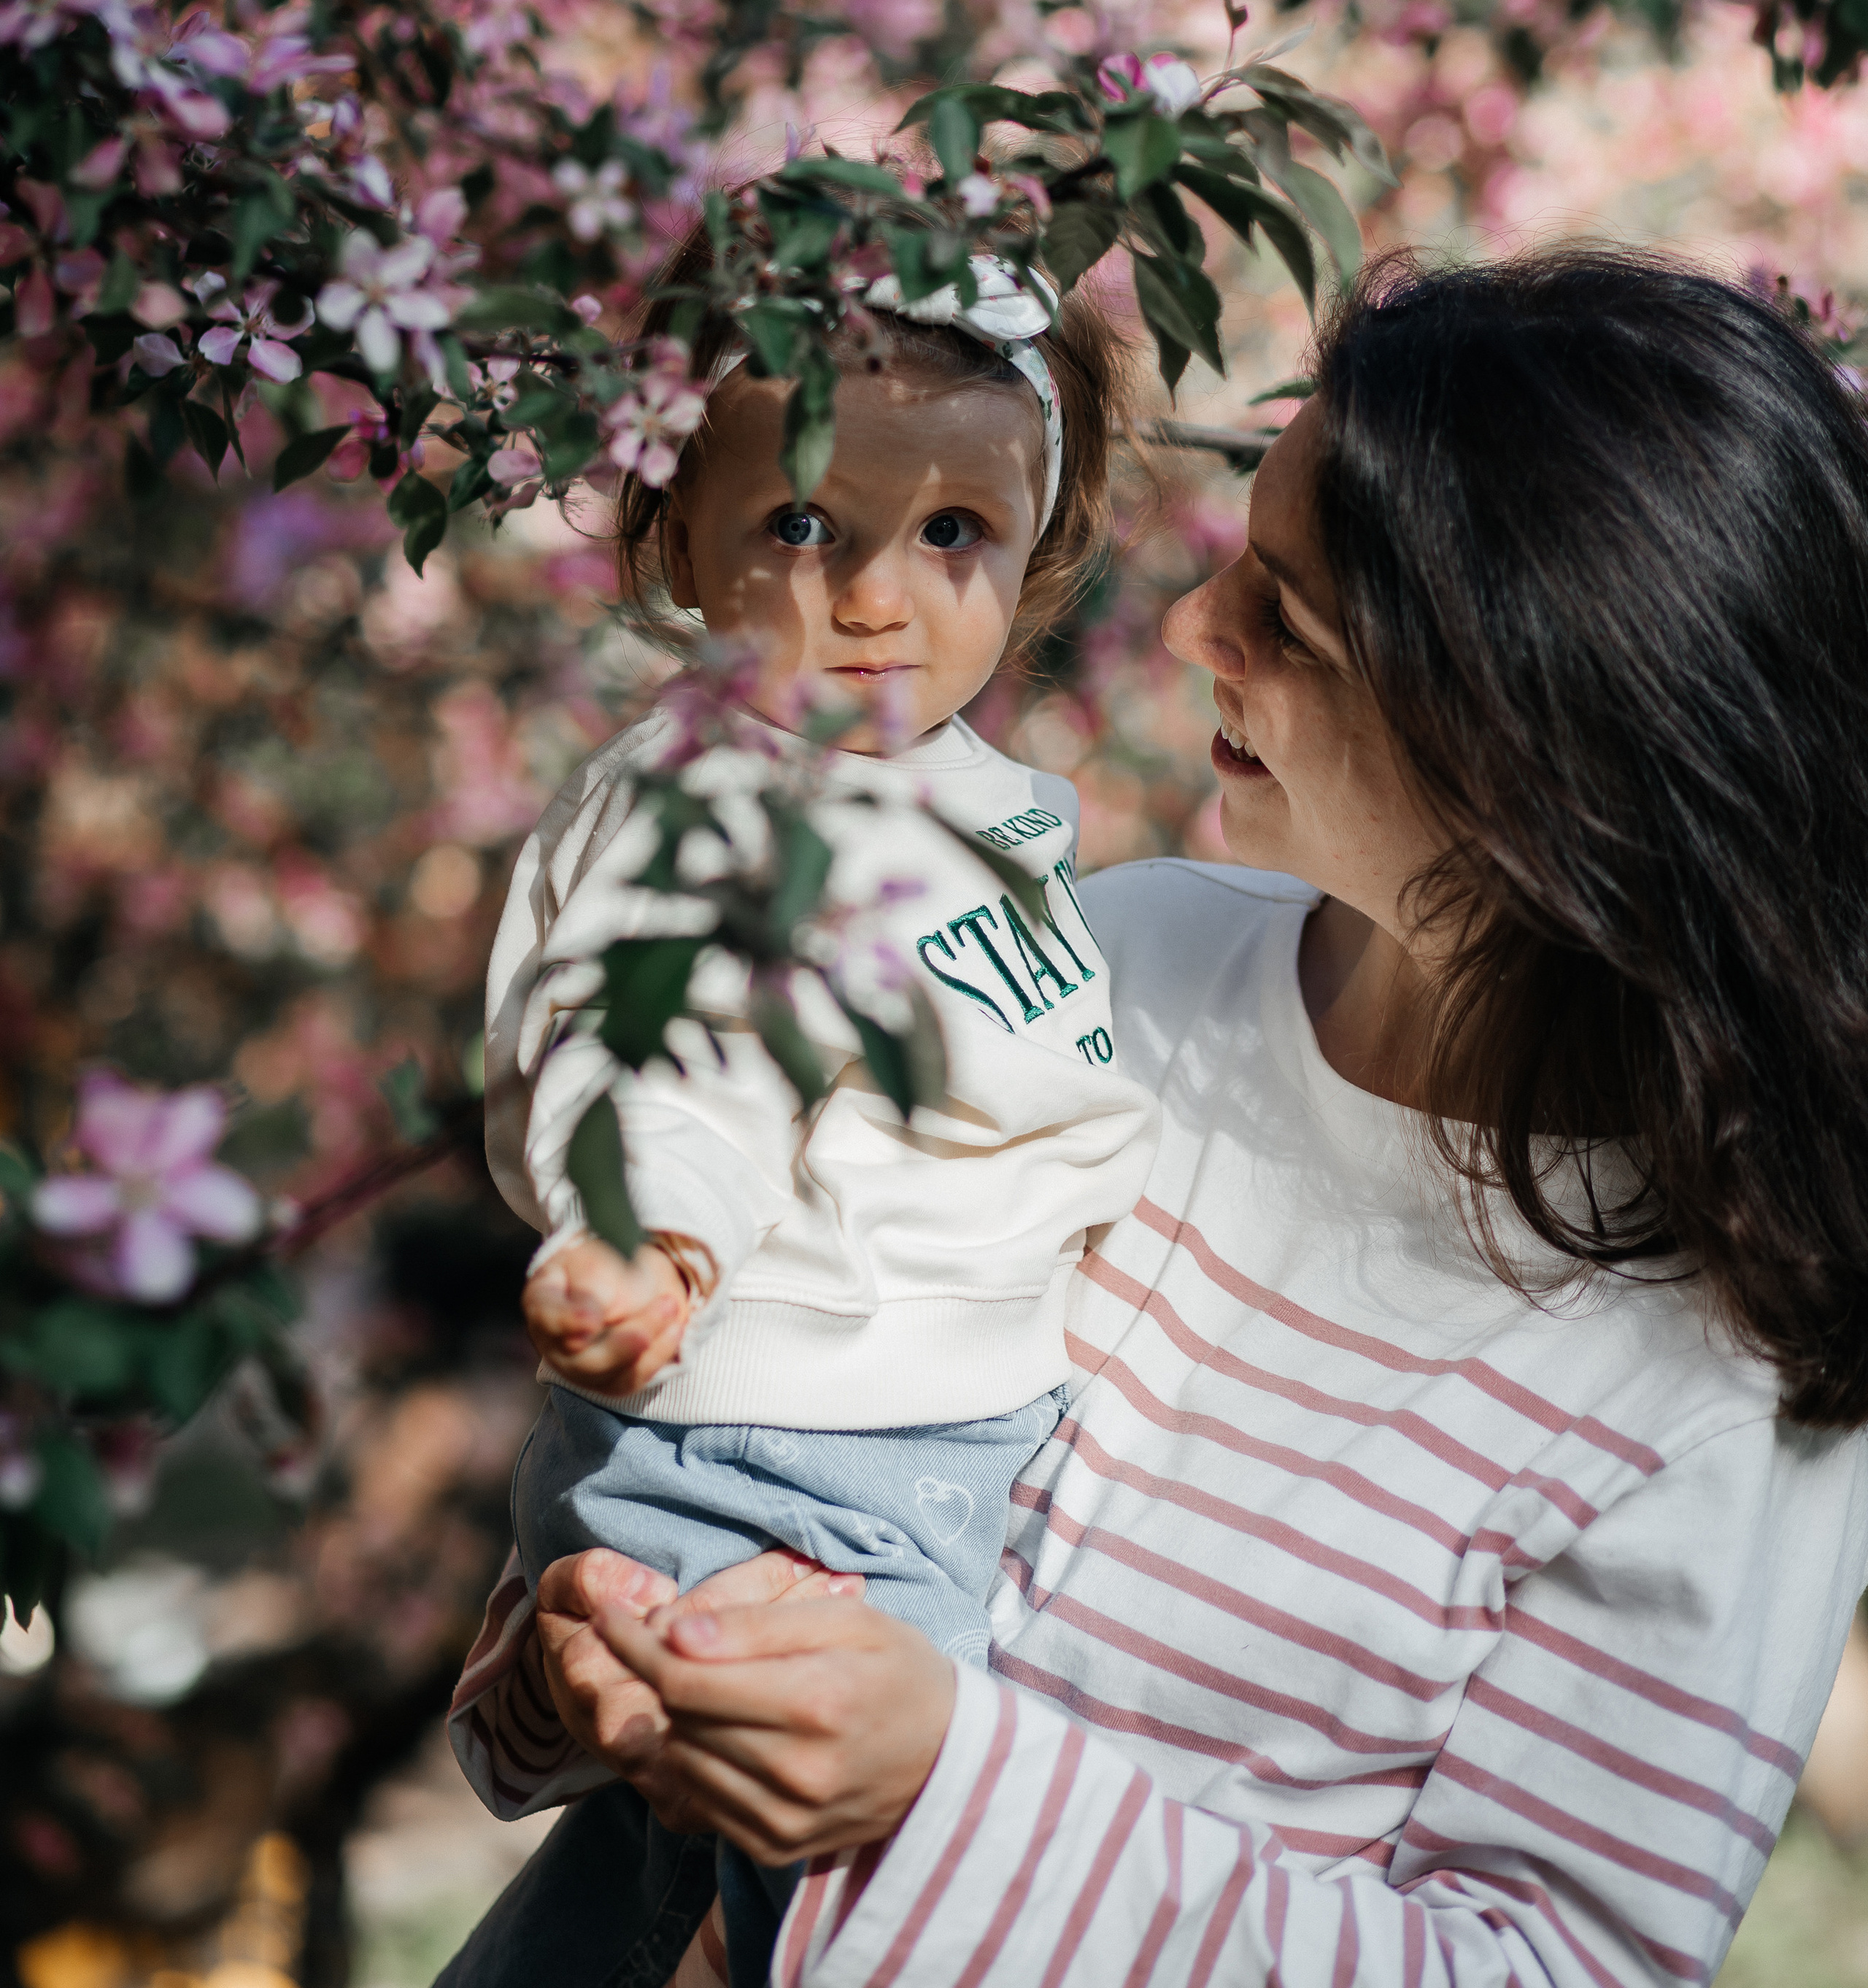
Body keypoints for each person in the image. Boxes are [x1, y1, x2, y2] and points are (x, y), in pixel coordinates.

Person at [444, 247, 1868, 1988]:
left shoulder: (1721, 1380)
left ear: (1531, 766)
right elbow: (768, 1449)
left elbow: (1551, 1969)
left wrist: (943, 1798)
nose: (1196, 628)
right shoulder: (1114, 971)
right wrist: (574, 1681)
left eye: (1289, 616)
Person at [476, 242, 1159, 1984]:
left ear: (1035, 545)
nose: (874, 596)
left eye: (951, 536)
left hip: (908, 1440)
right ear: (674, 543)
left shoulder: (985, 801)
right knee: (875, 1888)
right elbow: (647, 1040)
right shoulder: (707, 793)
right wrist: (651, 1235)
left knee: (672, 1873)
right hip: (779, 1444)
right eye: (799, 529)